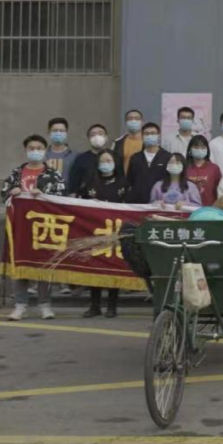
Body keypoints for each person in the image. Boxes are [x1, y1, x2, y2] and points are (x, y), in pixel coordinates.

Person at [1, 135, 66, 321]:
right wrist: (11, 192)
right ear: (26, 150)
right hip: (20, 227)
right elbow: (3, 194)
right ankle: (20, 305)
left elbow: (62, 197)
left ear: (45, 151)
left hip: (44, 227)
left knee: (44, 266)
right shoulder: (16, 173)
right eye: (31, 148)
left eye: (39, 148)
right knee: (20, 265)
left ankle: (45, 305)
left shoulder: (53, 174)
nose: (35, 151)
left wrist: (45, 194)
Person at [81, 149, 127, 318]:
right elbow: (79, 204)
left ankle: (112, 306)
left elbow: (129, 205)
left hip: (115, 232)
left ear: (115, 163)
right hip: (94, 231)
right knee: (95, 267)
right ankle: (95, 305)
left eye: (109, 161)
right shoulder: (90, 183)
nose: (105, 164)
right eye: (102, 161)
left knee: (113, 266)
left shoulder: (123, 183)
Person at [126, 123, 170, 204]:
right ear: (142, 136)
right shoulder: (135, 158)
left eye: (153, 133)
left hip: (160, 202)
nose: (150, 136)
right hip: (137, 202)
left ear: (159, 136)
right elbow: (130, 180)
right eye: (146, 134)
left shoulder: (167, 157)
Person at [68, 124, 110, 197]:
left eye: (100, 133)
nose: (97, 137)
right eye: (93, 135)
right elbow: (74, 185)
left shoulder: (115, 157)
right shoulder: (81, 159)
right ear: (89, 139)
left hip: (110, 199)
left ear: (106, 137)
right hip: (86, 200)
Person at [185, 135, 222, 207]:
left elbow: (220, 191)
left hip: (209, 209)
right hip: (188, 208)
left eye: (203, 147)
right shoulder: (184, 168)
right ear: (190, 149)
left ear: (207, 150)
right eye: (196, 147)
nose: (199, 149)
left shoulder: (214, 168)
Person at [44, 117, 77, 186]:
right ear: (49, 132)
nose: (58, 133)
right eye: (55, 130)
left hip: (68, 192)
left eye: (61, 131)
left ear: (66, 133)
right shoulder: (42, 155)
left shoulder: (75, 156)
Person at [113, 109, 145, 179]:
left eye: (137, 118)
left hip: (142, 182)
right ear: (126, 122)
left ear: (142, 122)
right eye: (130, 118)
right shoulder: (118, 143)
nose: (134, 121)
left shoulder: (148, 142)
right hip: (123, 182)